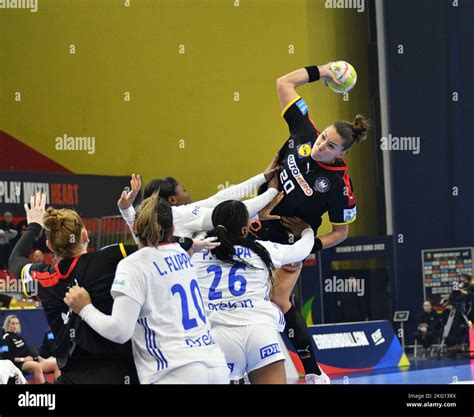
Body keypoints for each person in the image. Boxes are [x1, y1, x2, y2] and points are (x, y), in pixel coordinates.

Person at [252, 62, 369, 382]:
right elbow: (283, 82)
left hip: (291, 241)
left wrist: (308, 245)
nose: (321, 146)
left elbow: (341, 232)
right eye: (324, 138)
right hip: (258, 219)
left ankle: (314, 373)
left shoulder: (338, 185)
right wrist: (325, 71)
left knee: (278, 300)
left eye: (330, 146)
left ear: (341, 153)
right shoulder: (305, 131)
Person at [64, 194, 230, 384]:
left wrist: (85, 308)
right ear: (173, 229)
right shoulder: (181, 253)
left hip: (173, 372)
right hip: (215, 365)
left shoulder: (132, 265)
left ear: (136, 228)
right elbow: (148, 241)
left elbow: (119, 331)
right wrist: (126, 211)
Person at [9, 193, 139, 384]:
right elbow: (151, 247)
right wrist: (128, 211)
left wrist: (34, 226)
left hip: (73, 378)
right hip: (122, 372)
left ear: (49, 246)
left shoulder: (45, 278)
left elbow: (15, 260)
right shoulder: (110, 259)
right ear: (85, 236)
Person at [192, 200, 315, 383]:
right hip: (260, 332)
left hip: (218, 336)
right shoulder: (262, 250)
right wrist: (307, 230)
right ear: (244, 230)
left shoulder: (194, 253)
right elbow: (303, 248)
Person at [119, 158, 281, 239]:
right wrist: (272, 191)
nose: (187, 193)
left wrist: (262, 177)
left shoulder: (147, 226)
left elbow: (218, 199)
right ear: (172, 201)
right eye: (183, 190)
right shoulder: (180, 215)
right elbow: (228, 213)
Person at [1, 315, 60, 383]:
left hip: (30, 361)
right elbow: (6, 357)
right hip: (18, 364)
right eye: (13, 323)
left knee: (57, 363)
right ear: (7, 325)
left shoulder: (19, 337)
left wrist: (37, 357)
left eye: (17, 323)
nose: (15, 326)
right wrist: (23, 359)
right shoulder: (5, 338)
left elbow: (27, 350)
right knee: (36, 367)